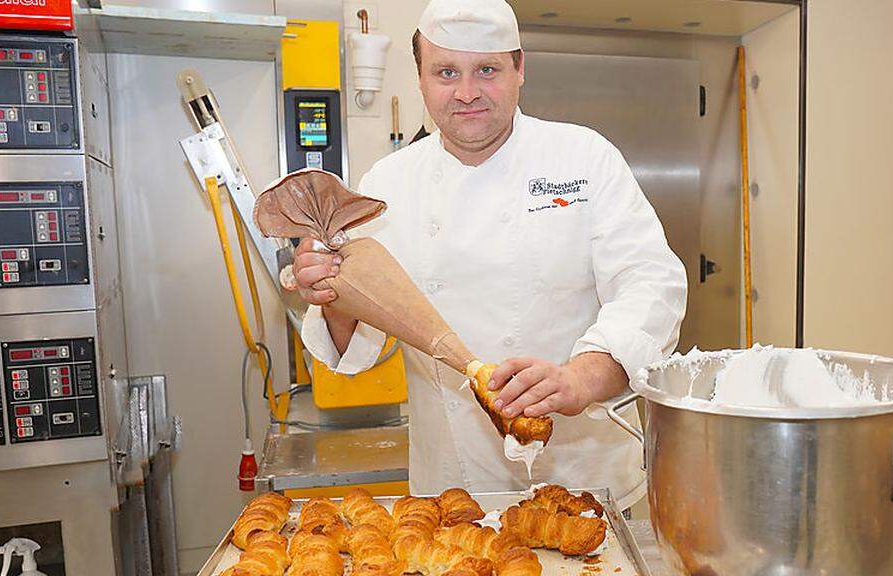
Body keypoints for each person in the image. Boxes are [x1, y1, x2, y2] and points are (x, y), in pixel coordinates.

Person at [292, 0, 687, 508]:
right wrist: (330, 293)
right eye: (446, 72)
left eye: (487, 70)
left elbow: (651, 283)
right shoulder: (386, 186)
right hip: (453, 491)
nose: (467, 92)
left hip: (585, 481)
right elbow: (357, 343)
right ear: (420, 79)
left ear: (520, 69)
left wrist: (581, 377)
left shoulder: (584, 157)